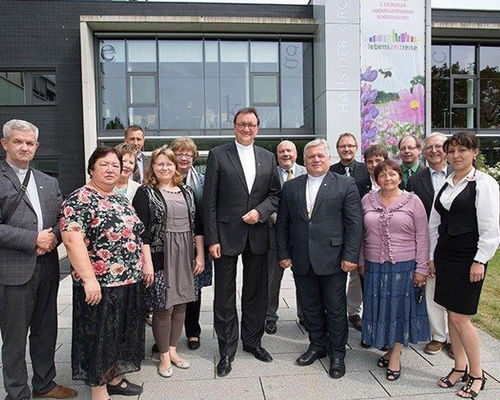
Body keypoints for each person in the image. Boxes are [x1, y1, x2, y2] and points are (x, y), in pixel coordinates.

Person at [61, 147, 151, 400]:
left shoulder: (120, 199)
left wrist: (144, 264)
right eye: (104, 164)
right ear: (92, 168)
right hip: (100, 283)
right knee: (99, 336)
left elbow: (137, 234)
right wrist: (89, 280)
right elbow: (72, 240)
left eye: (115, 165)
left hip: (128, 280)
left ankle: (113, 377)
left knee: (119, 333)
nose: (111, 170)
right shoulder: (80, 198)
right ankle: (98, 389)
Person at [0, 119, 77, 400]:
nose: (24, 147)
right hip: (13, 270)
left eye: (29, 143)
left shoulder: (47, 181)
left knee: (46, 330)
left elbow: (62, 218)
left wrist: (52, 237)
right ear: (5, 144)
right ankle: (17, 392)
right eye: (18, 141)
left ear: (37, 146)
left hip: (47, 267)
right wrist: (33, 239)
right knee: (14, 337)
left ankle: (44, 384)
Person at [203, 107, 280, 377]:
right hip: (225, 236)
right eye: (242, 124)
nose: (247, 129)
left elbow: (275, 195)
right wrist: (212, 238)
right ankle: (226, 350)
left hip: (257, 234)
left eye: (251, 124)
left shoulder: (268, 158)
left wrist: (261, 211)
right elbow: (209, 200)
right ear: (234, 126)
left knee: (256, 291)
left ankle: (253, 341)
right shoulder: (218, 155)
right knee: (225, 294)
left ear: (258, 128)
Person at [276, 139, 363, 379]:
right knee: (310, 306)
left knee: (335, 308)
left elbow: (354, 224)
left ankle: (337, 353)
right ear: (304, 161)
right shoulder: (291, 187)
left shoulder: (345, 184)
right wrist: (283, 253)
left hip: (334, 259)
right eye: (311, 156)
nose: (316, 159)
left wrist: (350, 256)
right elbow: (283, 223)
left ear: (328, 158)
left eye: (320, 156)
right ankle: (317, 345)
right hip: (302, 258)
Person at [429, 131, 499, 398]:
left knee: (461, 317)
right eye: (452, 151)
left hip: (468, 259)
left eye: (462, 150)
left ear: (475, 152)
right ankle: (459, 367)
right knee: (451, 315)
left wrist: (480, 260)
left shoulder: (484, 183)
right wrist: (432, 256)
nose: (456, 155)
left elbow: (491, 229)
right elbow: (434, 224)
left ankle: (478, 374)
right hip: (445, 257)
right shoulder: (447, 183)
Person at [133, 145, 204, 378]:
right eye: (160, 163)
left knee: (182, 304)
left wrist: (200, 255)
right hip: (160, 255)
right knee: (163, 306)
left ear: (175, 166)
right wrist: (147, 263)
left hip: (186, 254)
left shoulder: (187, 191)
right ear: (152, 167)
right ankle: (163, 355)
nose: (165, 168)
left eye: (169, 163)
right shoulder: (145, 192)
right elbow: (141, 231)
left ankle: (173, 350)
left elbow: (198, 226)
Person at [359, 159, 430, 381]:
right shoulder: (367, 200)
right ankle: (389, 349)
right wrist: (361, 261)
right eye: (382, 175)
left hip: (404, 266)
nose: (387, 178)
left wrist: (421, 267)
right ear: (376, 179)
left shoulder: (413, 201)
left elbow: (423, 236)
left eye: (392, 173)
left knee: (399, 310)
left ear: (400, 176)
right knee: (382, 309)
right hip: (374, 266)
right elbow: (359, 234)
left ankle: (396, 355)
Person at [407, 132, 452, 357]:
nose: (434, 151)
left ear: (447, 149)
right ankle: (438, 336)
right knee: (432, 288)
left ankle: (455, 337)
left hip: (456, 241)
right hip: (429, 239)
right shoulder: (416, 180)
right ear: (423, 152)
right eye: (429, 147)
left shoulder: (459, 173)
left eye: (439, 146)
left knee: (455, 290)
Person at [169, 137, 213, 351]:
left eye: (188, 154)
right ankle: (167, 336)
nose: (184, 157)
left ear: (194, 158)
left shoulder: (203, 181)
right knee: (170, 289)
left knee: (194, 290)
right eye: (179, 153)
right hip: (170, 244)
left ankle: (193, 332)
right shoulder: (163, 180)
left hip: (198, 242)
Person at [265, 140, 307, 335]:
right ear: (277, 155)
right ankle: (269, 316)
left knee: (304, 278)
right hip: (274, 234)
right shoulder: (269, 174)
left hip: (301, 236)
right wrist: (276, 219)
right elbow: (263, 200)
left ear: (296, 154)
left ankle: (305, 315)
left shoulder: (307, 173)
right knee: (272, 280)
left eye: (289, 150)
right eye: (281, 151)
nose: (286, 154)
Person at [329, 133, 369, 333]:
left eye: (350, 146)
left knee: (358, 274)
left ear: (356, 148)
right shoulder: (330, 171)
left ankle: (355, 313)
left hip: (361, 230)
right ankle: (336, 314)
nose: (346, 149)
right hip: (335, 231)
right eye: (342, 146)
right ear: (337, 149)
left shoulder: (366, 170)